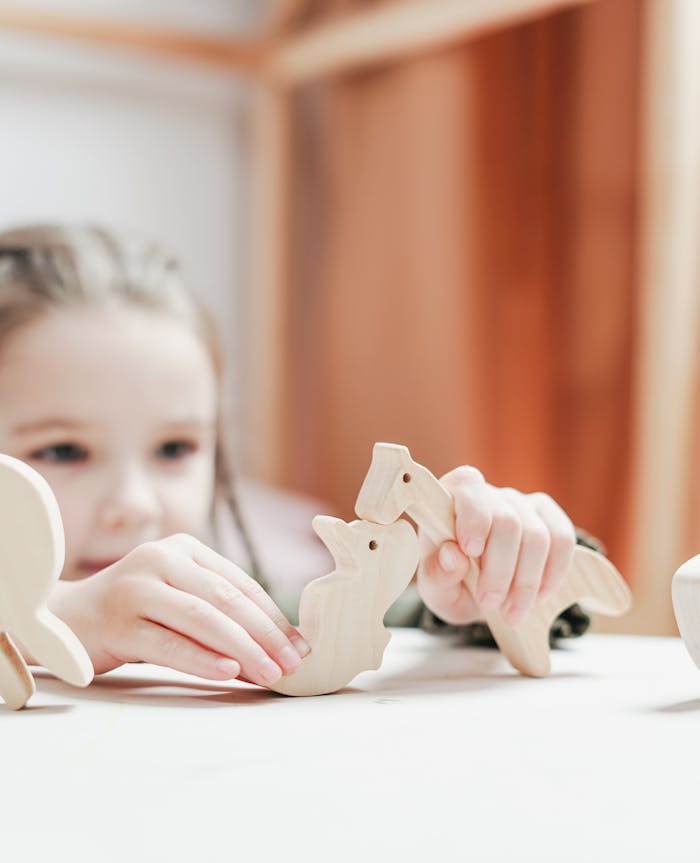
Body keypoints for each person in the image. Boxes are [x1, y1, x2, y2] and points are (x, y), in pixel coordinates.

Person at [0, 223, 581, 689]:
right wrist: (46, 618)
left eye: (175, 448)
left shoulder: (243, 607)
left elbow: (381, 622)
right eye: (62, 450)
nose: (134, 505)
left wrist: (482, 581)